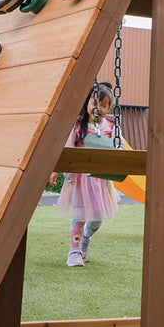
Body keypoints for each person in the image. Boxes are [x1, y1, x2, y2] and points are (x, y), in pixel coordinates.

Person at [51, 81, 120, 267]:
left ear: (109, 108)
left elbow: (116, 151)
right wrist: (56, 169)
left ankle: (86, 238)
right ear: (87, 104)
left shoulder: (110, 128)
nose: (98, 108)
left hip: (100, 181)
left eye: (104, 105)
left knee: (97, 219)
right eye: (95, 103)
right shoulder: (77, 125)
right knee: (79, 216)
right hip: (81, 180)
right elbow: (66, 148)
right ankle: (74, 252)